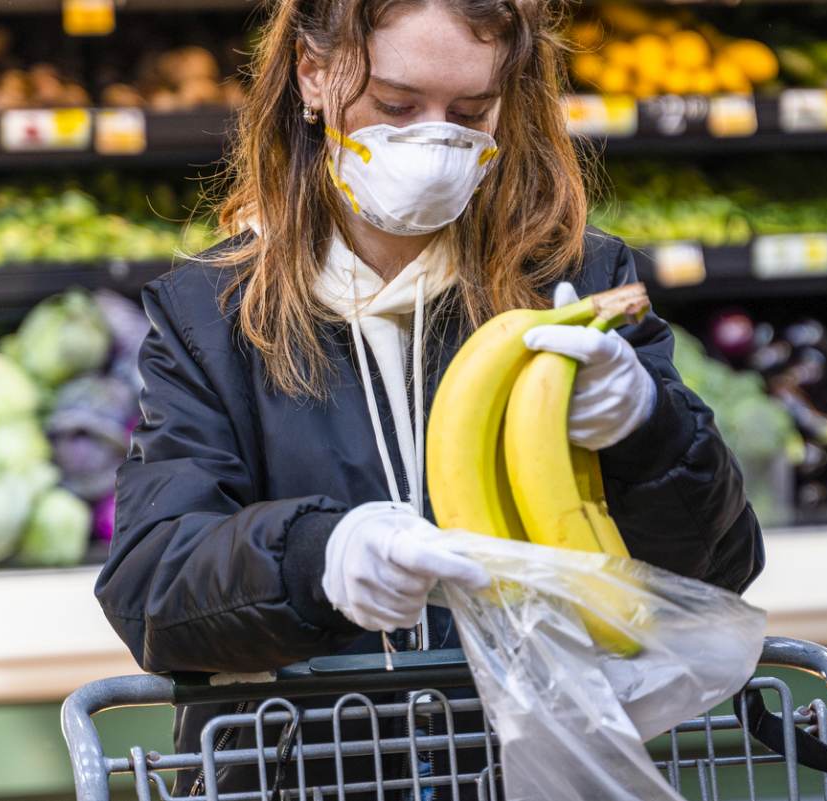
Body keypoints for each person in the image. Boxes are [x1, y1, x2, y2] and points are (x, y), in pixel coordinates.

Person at [96, 0, 764, 794]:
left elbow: (719, 570)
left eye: (471, 110)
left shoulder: (575, 285)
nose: (433, 139)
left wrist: (646, 431)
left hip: (525, 774)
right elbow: (150, 588)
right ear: (313, 75)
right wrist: (317, 558)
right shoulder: (213, 314)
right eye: (396, 105)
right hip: (297, 775)